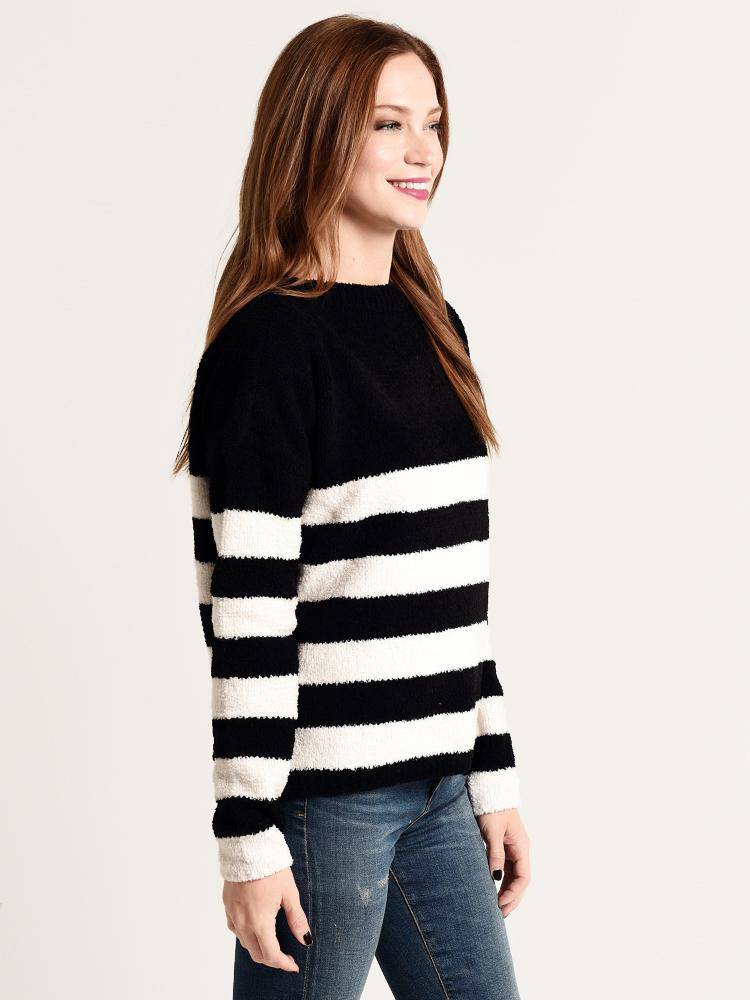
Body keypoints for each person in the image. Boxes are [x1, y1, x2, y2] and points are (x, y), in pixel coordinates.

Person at [172, 14, 531, 999]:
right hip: (326, 805)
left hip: (441, 792)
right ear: (317, 132)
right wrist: (248, 838)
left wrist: (490, 774)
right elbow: (249, 614)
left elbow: (451, 588)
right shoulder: (269, 348)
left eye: (433, 123)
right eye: (388, 124)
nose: (424, 151)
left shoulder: (433, 325)